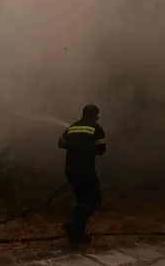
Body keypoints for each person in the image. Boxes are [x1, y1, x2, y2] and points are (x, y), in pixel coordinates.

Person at [58, 104, 106, 245]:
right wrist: (88, 147)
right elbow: (101, 150)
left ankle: (78, 235)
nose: (98, 117)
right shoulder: (97, 129)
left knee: (82, 202)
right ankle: (71, 225)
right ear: (94, 114)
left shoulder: (72, 127)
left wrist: (74, 145)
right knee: (94, 201)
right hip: (85, 170)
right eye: (97, 114)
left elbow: (60, 144)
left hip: (70, 170)